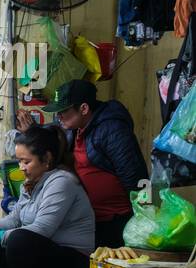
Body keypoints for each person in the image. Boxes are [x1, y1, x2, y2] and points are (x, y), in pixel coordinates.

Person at [18, 80, 148, 249]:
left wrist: (145, 220)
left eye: (63, 111)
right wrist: (34, 130)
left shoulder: (112, 129)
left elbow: (136, 175)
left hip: (116, 223)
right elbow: (54, 135)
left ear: (84, 109)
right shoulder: (74, 128)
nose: (59, 117)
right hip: (89, 221)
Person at [0, 125, 96, 268]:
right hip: (46, 252)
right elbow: (14, 219)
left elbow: (42, 229)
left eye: (26, 161)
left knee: (17, 240)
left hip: (72, 260)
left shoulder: (62, 182)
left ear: (46, 159)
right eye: (19, 161)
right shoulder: (31, 182)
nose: (21, 167)